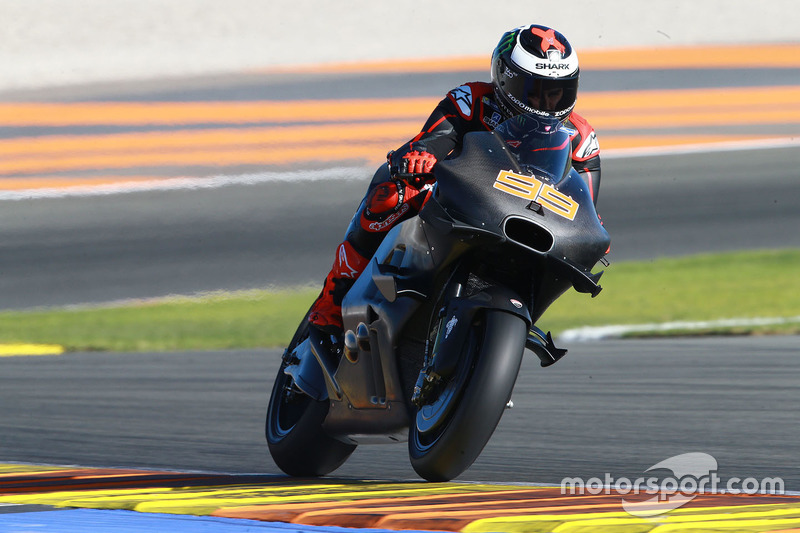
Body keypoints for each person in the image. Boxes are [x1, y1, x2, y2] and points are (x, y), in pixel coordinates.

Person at [307, 24, 601, 349]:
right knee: (390, 193)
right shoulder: (470, 100)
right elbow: (430, 142)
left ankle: (498, 335)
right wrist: (420, 157)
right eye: (533, 91)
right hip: (462, 202)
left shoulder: (581, 137)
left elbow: (586, 203)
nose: (545, 101)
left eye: (555, 91)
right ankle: (333, 301)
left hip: (528, 220)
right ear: (506, 79)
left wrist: (592, 234)